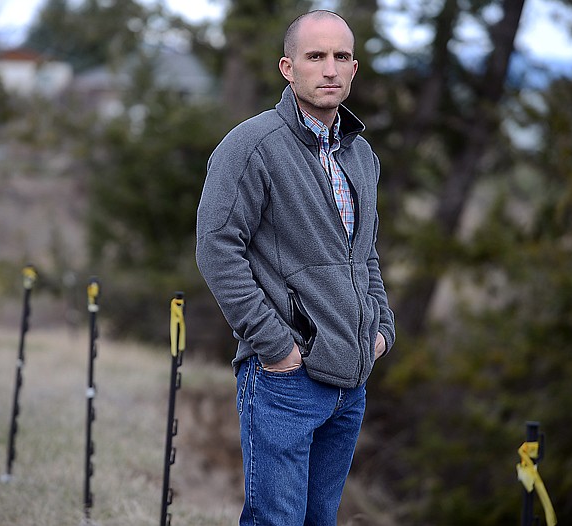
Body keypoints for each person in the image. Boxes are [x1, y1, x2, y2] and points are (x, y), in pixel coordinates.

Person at [196, 9, 395, 525]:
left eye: (341, 57)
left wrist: (381, 328)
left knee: (319, 520)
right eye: (315, 56)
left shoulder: (361, 156)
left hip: (350, 382)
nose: (329, 68)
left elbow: (365, 252)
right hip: (287, 379)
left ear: (354, 69)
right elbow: (217, 249)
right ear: (288, 68)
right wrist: (278, 347)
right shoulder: (251, 146)